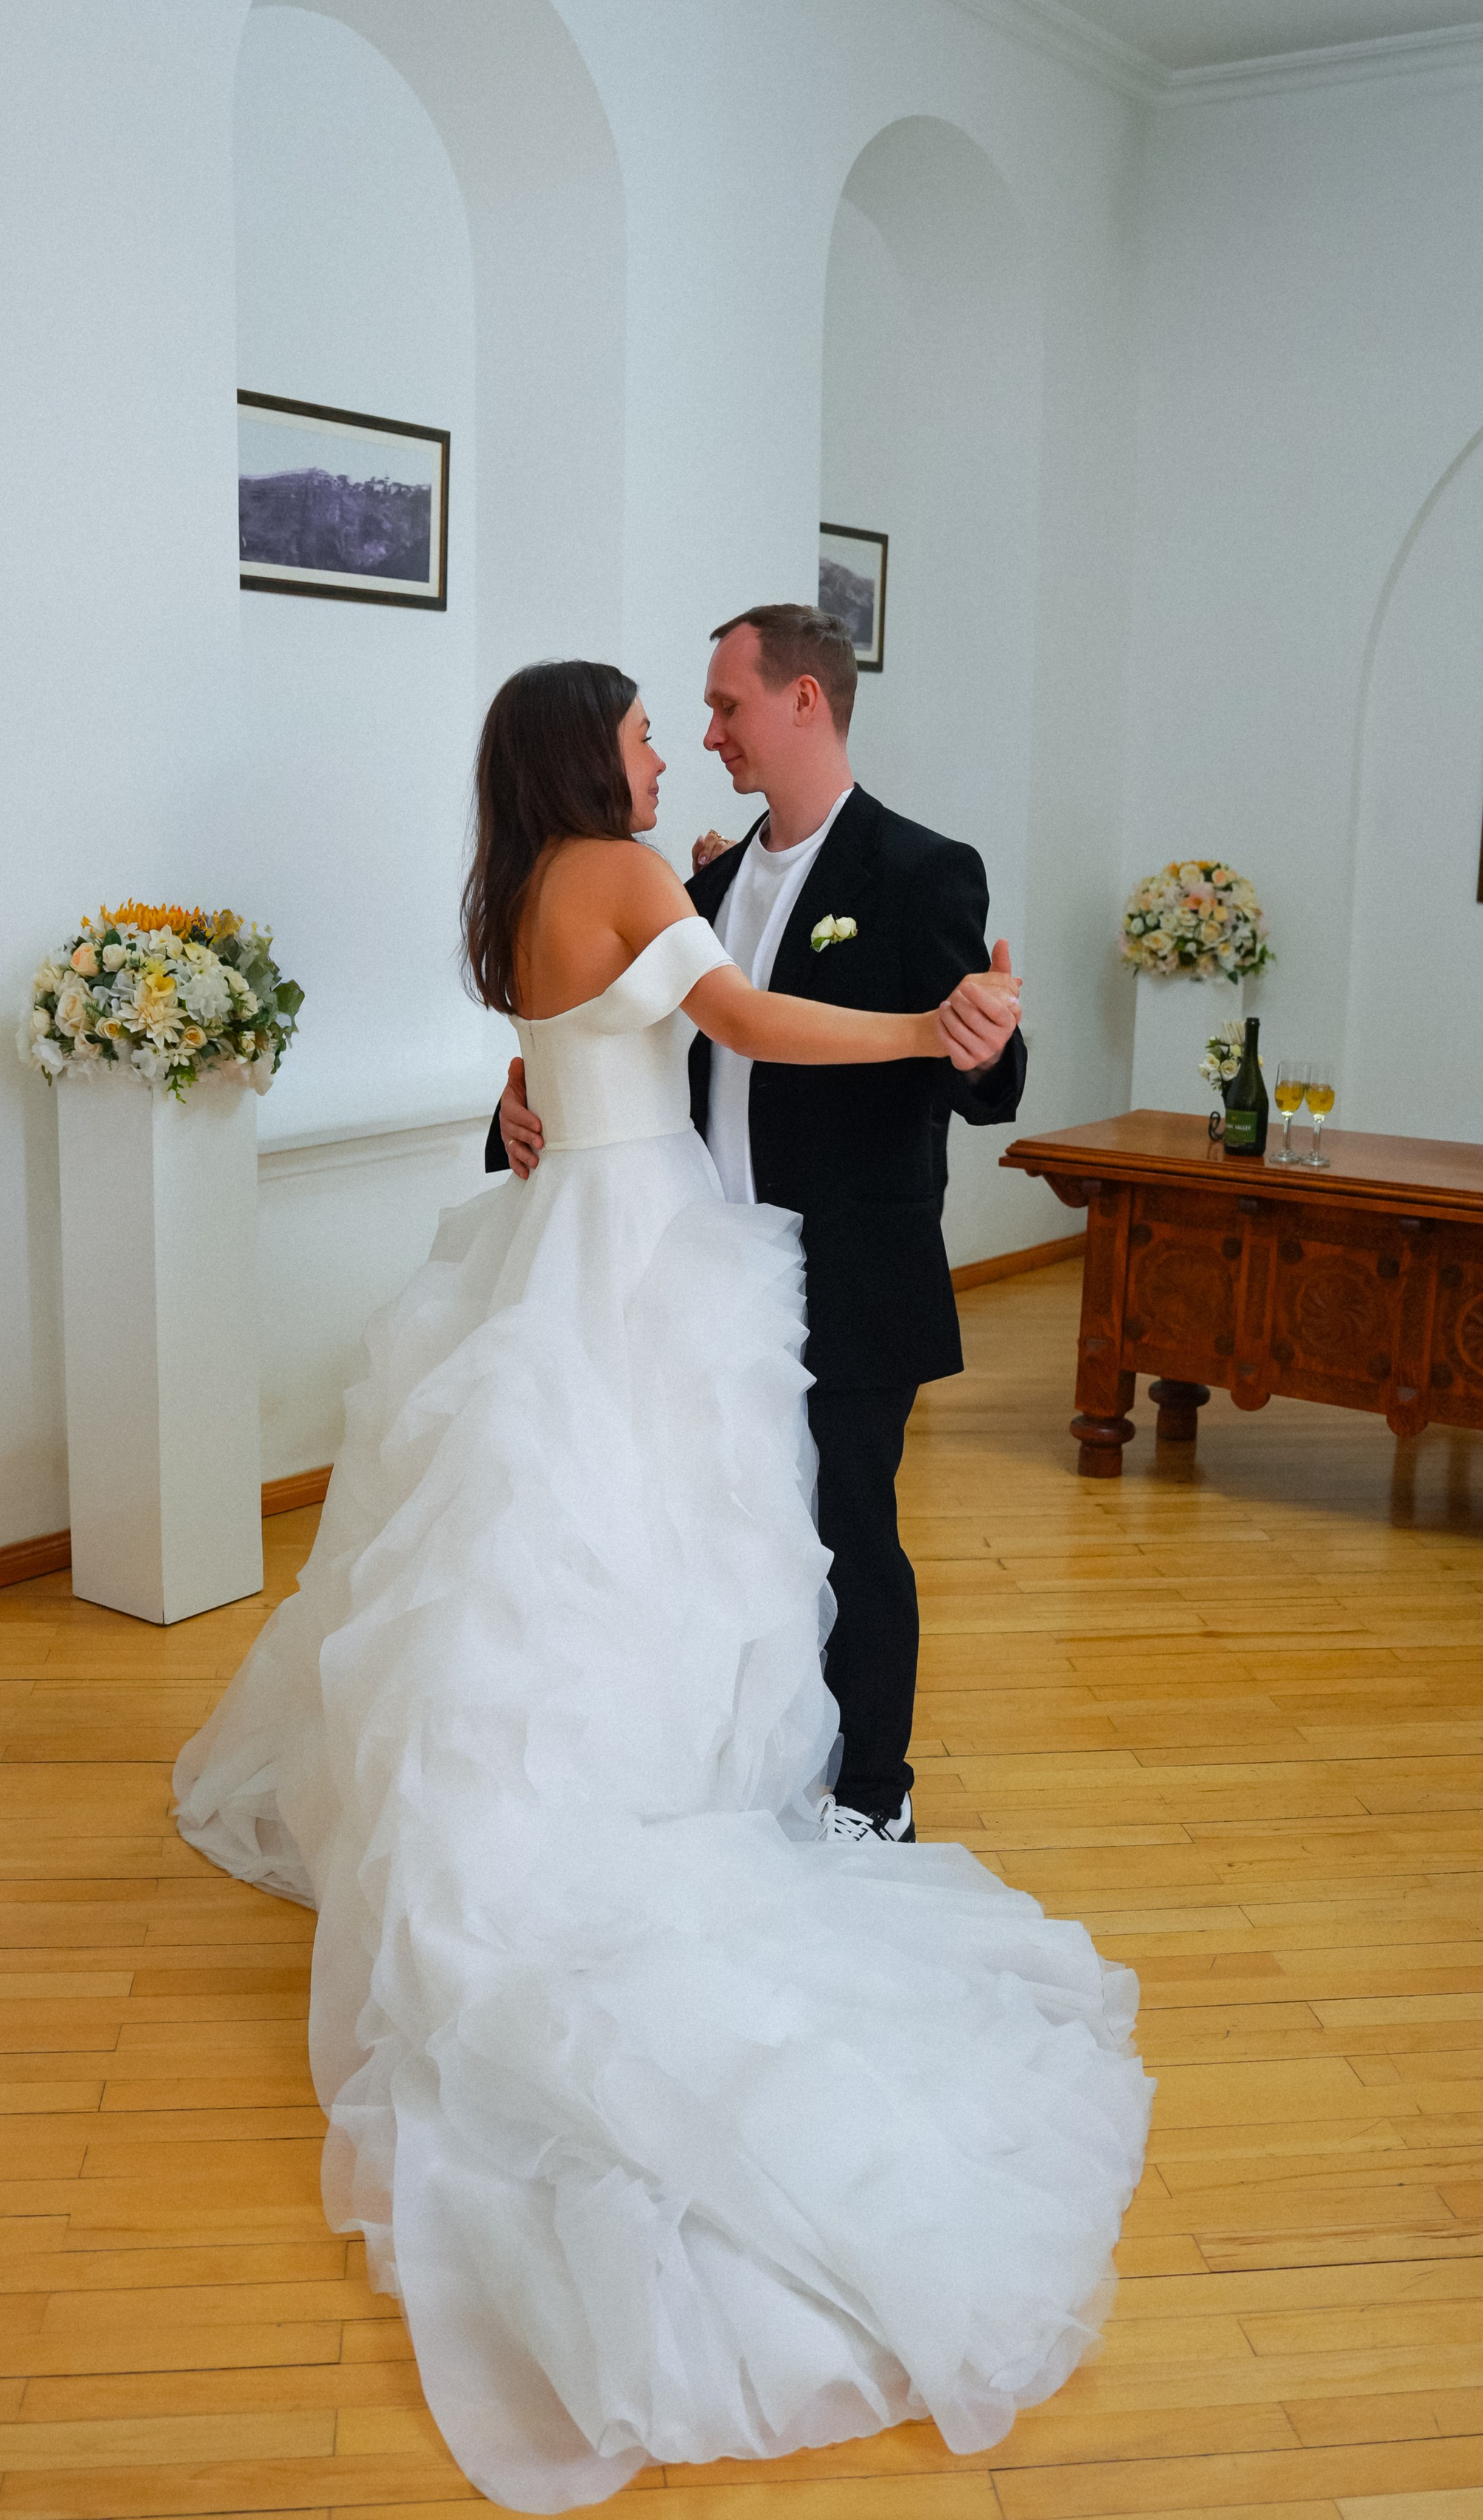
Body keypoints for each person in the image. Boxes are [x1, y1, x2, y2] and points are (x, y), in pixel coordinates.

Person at [174, 658, 1151, 2513]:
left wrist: (535, 1092)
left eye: (696, 707)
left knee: (562, 1543)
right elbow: (748, 1022)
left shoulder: (529, 879)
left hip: (577, 1236)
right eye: (644, 720)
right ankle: (683, 1802)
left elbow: (552, 1050)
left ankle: (627, 1777)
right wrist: (919, 1021)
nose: (669, 741)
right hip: (647, 1243)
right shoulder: (634, 870)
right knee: (665, 1533)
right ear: (589, 751)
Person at [493, 604, 1023, 1847]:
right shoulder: (701, 881)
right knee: (724, 1539)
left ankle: (875, 1794)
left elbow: (985, 1081)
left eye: (726, 706)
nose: (707, 734)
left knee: (849, 1533)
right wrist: (513, 1109)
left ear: (804, 701)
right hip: (691, 1272)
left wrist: (980, 1041)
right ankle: (757, 1775)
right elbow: (609, 1034)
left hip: (847, 1264)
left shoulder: (920, 869)